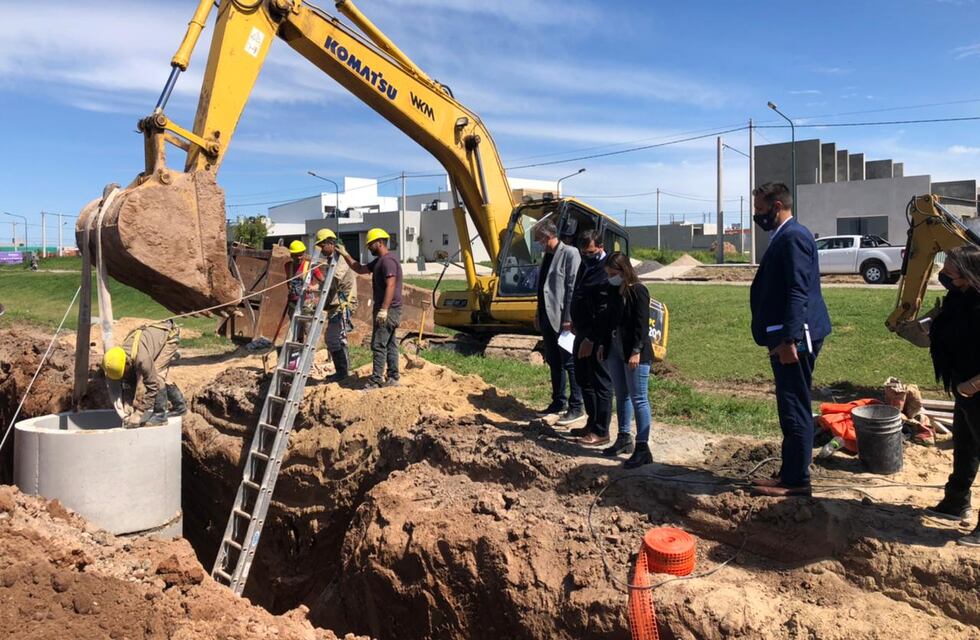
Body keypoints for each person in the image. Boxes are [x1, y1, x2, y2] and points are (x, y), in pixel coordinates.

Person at [749, 182, 831, 497]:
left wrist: (789, 340)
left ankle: (796, 481)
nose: (757, 215)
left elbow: (798, 290)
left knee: (794, 405)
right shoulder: (785, 235)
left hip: (795, 339)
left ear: (777, 205)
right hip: (787, 335)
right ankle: (789, 473)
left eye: (760, 209)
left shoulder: (794, 236)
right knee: (790, 403)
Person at [925, 245, 980, 546]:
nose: (944, 275)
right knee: (965, 443)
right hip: (964, 387)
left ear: (969, 274)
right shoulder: (961, 296)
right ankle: (956, 501)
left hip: (975, 386)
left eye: (949, 271)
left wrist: (973, 385)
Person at [598, 252, 654, 468]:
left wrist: (636, 351)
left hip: (634, 352)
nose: (610, 277)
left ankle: (642, 447)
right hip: (615, 349)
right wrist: (603, 344)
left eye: (613, 273)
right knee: (621, 395)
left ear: (624, 271)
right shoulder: (614, 290)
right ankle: (623, 438)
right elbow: (609, 320)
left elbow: (642, 324)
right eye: (608, 274)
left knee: (639, 398)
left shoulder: (638, 291)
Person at [533, 219, 584, 425]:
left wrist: (569, 318)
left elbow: (572, 287)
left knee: (570, 362)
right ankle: (558, 401)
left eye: (539, 239)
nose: (538, 243)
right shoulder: (547, 256)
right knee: (554, 361)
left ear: (548, 236)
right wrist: (538, 313)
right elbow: (542, 289)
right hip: (546, 316)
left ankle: (576, 406)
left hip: (563, 318)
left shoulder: (570, 253)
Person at [338, 228, 403, 389]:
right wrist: (345, 254)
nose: (368, 247)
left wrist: (384, 309)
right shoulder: (379, 261)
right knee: (390, 344)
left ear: (379, 243)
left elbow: (391, 285)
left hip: (389, 309)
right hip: (388, 309)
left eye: (370, 244)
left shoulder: (388, 261)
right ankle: (393, 377)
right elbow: (360, 269)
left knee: (378, 344)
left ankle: (376, 381)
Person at [568, 229, 613, 446]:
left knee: (600, 381)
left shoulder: (606, 271)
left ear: (601, 247)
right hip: (581, 331)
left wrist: (592, 339)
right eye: (583, 252)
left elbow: (604, 310)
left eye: (591, 252)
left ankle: (601, 430)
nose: (586, 256)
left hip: (596, 336)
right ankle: (592, 422)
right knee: (583, 379)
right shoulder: (586, 266)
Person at [103, 321, 184, 427]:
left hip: (170, 338)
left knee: (157, 376)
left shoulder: (142, 359)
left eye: (124, 371)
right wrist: (128, 410)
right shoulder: (118, 355)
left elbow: (152, 386)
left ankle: (160, 416)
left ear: (127, 363)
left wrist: (139, 413)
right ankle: (180, 406)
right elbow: (128, 380)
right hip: (152, 342)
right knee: (143, 374)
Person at [314, 228, 358, 382]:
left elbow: (332, 282)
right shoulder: (332, 259)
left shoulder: (340, 260)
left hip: (343, 305)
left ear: (330, 243)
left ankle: (342, 372)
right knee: (338, 338)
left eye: (322, 245)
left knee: (333, 338)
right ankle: (343, 372)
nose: (320, 249)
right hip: (337, 304)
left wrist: (318, 289)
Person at [283, 240, 324, 348]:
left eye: (301, 254)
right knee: (296, 330)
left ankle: (311, 351)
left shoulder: (310, 266)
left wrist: (314, 287)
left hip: (307, 303)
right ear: (291, 255)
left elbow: (323, 281)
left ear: (304, 253)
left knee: (308, 328)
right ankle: (297, 350)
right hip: (293, 303)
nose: (299, 257)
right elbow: (288, 282)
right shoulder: (288, 266)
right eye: (296, 255)